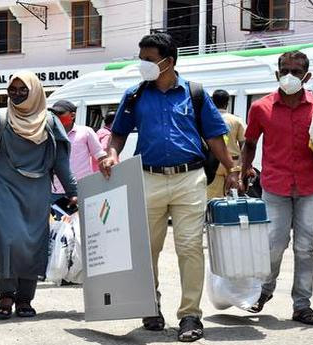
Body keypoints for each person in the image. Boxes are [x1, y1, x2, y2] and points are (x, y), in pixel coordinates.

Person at [99, 33, 239, 343]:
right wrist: (111, 155)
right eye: (142, 59)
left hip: (189, 180)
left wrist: (232, 169)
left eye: (148, 60)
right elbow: (118, 134)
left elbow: (216, 137)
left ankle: (190, 315)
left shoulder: (195, 93)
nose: (142, 65)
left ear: (168, 61)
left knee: (189, 247)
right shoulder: (134, 95)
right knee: (147, 249)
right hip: (147, 178)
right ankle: (150, 304)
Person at [241, 51, 313, 325]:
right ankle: (263, 291)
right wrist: (243, 170)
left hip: (311, 185)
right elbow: (249, 142)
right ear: (277, 74)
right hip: (274, 185)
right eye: (285, 70)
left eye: (296, 72)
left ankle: (302, 305)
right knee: (274, 245)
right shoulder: (261, 107)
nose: (290, 76)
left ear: (306, 76)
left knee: (305, 248)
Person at [0, 71, 77, 320]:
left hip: (38, 192)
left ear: (36, 92)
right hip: (3, 189)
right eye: (12, 90)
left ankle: (26, 298)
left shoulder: (49, 122)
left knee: (32, 244)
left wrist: (74, 193)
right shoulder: (0, 119)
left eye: (23, 90)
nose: (16, 94)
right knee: (8, 241)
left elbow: (61, 162)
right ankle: (6, 294)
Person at [50, 99, 106, 205]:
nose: (56, 116)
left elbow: (100, 156)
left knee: (84, 220)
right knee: (60, 221)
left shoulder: (85, 132)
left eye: (60, 113)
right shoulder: (49, 134)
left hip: (82, 189)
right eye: (54, 113)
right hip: (57, 191)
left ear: (72, 115)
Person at [207, 90, 246, 199]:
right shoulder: (237, 120)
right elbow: (245, 145)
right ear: (227, 103)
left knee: (213, 201)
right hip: (234, 165)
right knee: (233, 201)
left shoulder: (208, 120)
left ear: (212, 102)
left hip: (214, 164)